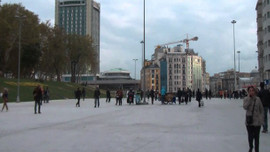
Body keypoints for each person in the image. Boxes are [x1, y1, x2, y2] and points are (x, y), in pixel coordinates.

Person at [243, 86, 264, 152]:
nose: (251, 92)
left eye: (252, 90)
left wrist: (261, 118)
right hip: (249, 121)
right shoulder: (246, 99)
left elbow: (261, 109)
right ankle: (251, 147)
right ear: (248, 92)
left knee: (257, 137)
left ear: (255, 91)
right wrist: (249, 98)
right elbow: (245, 107)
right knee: (250, 136)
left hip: (257, 121)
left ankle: (257, 149)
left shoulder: (258, 99)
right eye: (250, 91)